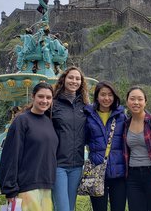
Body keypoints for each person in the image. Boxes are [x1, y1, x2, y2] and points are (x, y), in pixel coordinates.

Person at [0, 82, 58, 211]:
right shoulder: (22, 121)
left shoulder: (49, 121)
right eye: (41, 97)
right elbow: (11, 155)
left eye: (48, 98)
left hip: (46, 186)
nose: (44, 101)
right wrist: (10, 189)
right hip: (26, 187)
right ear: (33, 97)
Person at [84, 81, 127, 211]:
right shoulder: (88, 116)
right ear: (97, 96)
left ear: (114, 97)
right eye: (103, 94)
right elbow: (84, 139)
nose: (106, 98)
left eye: (110, 95)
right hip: (97, 172)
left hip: (118, 173)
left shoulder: (121, 116)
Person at [51, 66, 89, 211]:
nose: (74, 81)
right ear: (64, 79)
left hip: (77, 165)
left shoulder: (85, 106)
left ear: (81, 82)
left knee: (70, 207)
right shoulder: (53, 104)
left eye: (77, 78)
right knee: (63, 208)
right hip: (58, 164)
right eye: (71, 77)